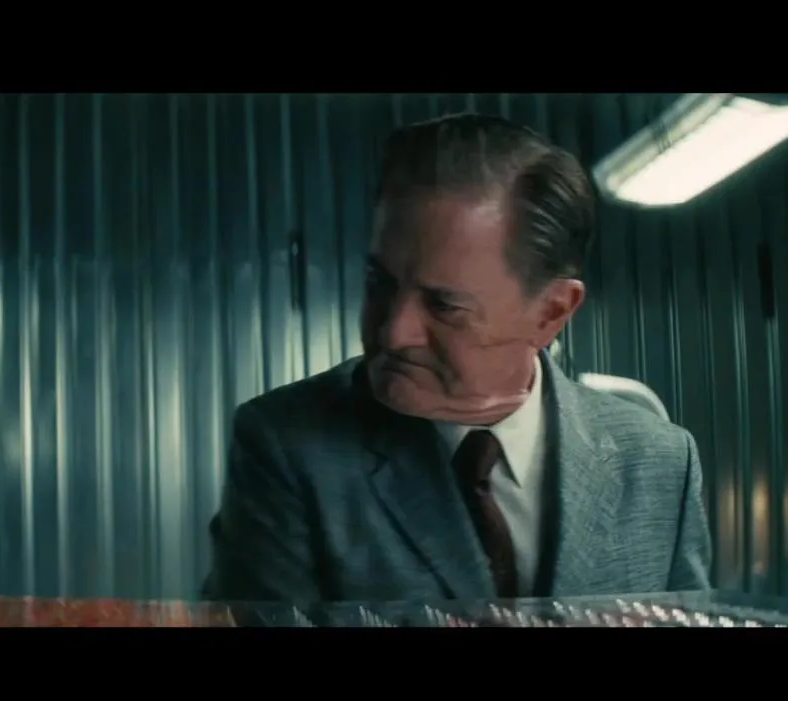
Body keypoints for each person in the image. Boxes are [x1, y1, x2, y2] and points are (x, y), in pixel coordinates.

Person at [202, 113, 712, 605]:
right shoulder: (288, 445)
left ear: (551, 312)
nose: (394, 332)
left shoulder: (661, 462)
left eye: (445, 305)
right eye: (380, 283)